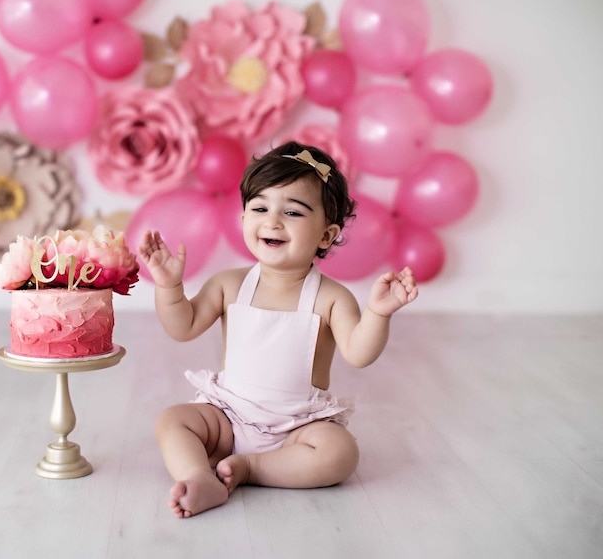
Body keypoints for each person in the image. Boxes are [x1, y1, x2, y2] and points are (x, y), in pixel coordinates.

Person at [137, 141, 418, 519]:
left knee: (340, 453)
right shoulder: (228, 284)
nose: (272, 221)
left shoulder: (332, 298)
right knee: (172, 420)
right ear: (243, 220)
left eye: (292, 212)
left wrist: (378, 313)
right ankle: (198, 476)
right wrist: (170, 287)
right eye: (260, 208)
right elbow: (182, 326)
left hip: (298, 426)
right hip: (229, 417)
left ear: (326, 235)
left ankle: (252, 468)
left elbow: (358, 353)